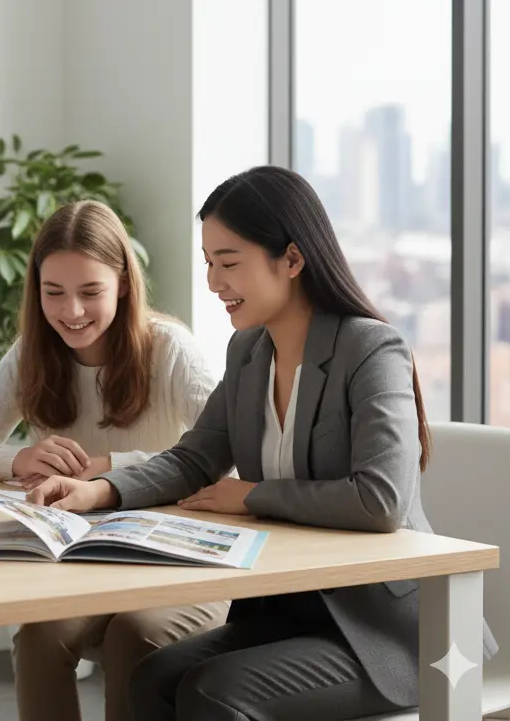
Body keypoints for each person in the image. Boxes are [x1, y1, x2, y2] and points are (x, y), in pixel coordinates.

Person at [28, 166, 497, 721]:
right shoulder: (249, 353)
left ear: (293, 260)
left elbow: (381, 499)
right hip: (288, 617)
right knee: (150, 678)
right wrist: (97, 491)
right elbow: (194, 458)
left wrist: (251, 496)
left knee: (213, 691)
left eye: (228, 263)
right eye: (208, 261)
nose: (212, 281)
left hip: (390, 635)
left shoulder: (372, 351)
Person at [0, 200, 228, 721]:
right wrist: (20, 458)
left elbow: (225, 457)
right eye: (53, 292)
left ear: (123, 283)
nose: (71, 312)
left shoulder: (169, 349)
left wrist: (113, 466)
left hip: (174, 557)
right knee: (38, 637)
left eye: (90, 292)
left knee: (136, 633)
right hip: (83, 561)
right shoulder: (33, 351)